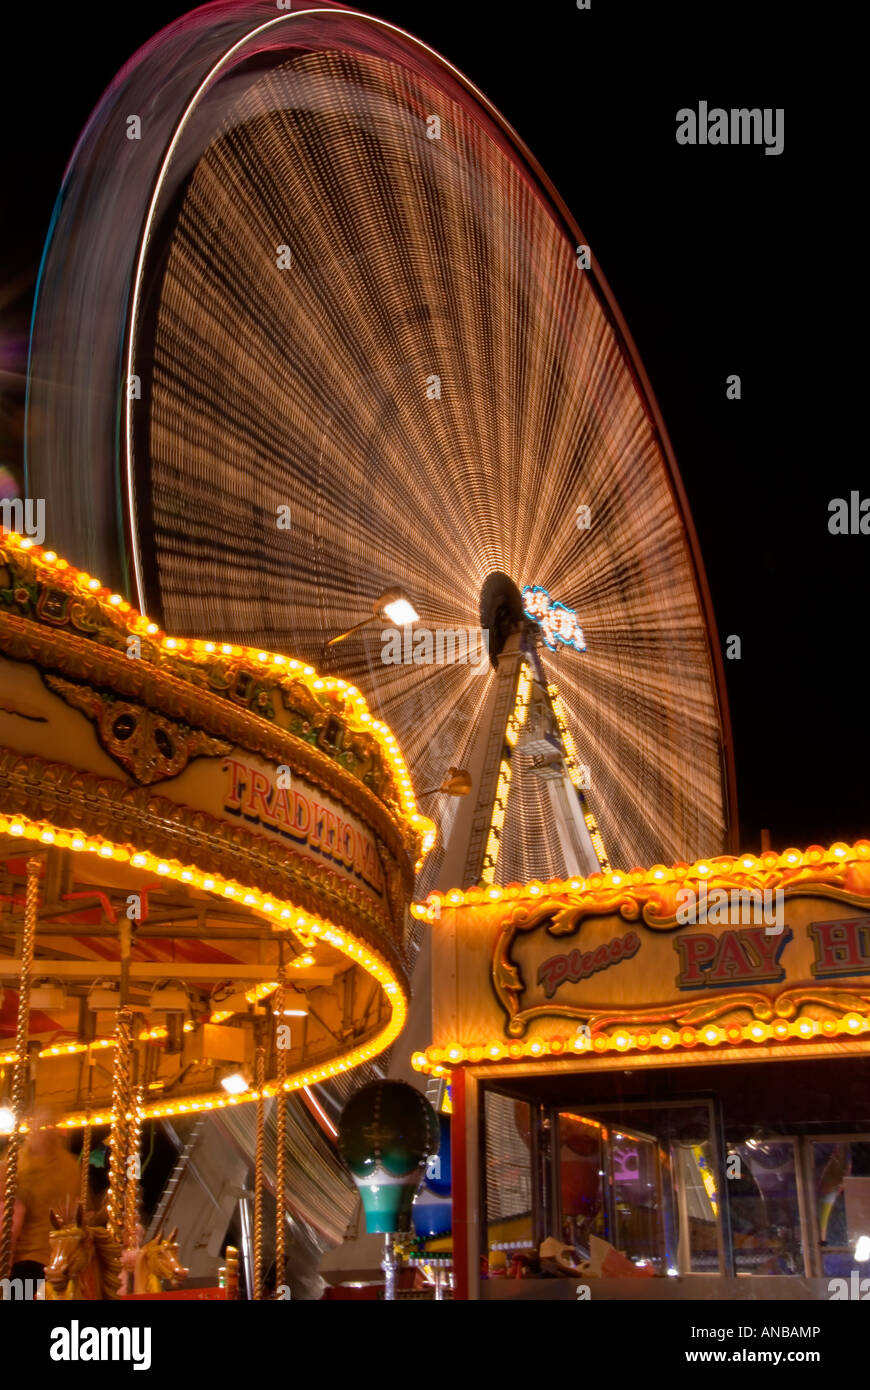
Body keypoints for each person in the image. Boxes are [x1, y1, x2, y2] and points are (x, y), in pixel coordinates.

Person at [0, 1110, 80, 1282]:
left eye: (50, 1128)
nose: (45, 1133)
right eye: (41, 1128)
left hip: (42, 1254)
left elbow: (71, 1209)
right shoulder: (17, 1158)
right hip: (19, 1254)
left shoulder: (67, 1167)